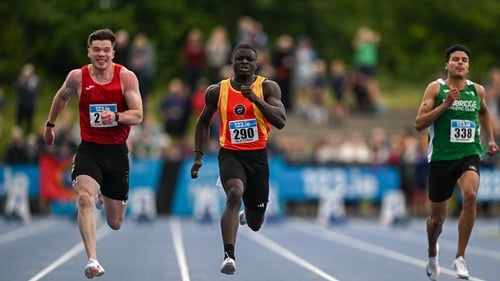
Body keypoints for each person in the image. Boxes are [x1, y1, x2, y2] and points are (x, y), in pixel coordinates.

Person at [43, 28, 143, 279]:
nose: (101, 54)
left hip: (117, 153)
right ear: (89, 51)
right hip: (90, 150)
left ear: (113, 53)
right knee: (85, 198)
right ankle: (92, 260)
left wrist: (117, 117)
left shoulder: (126, 77)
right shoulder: (78, 77)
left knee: (115, 223)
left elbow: (138, 115)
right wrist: (50, 125)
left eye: (106, 50)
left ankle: (104, 197)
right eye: (96, 49)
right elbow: (61, 97)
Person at [190, 43, 286, 274]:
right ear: (232, 62)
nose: (244, 62)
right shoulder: (217, 91)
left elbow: (281, 120)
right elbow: (203, 121)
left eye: (249, 59)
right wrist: (199, 156)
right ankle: (228, 256)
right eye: (240, 58)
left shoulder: (268, 87)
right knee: (234, 194)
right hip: (230, 154)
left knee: (255, 224)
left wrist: (255, 99)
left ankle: (248, 213)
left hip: (258, 157)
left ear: (256, 63)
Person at [415, 44, 498, 281]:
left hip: (468, 154)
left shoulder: (477, 91)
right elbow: (419, 123)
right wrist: (445, 105)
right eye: (455, 59)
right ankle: (432, 252)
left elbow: (484, 112)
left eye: (464, 60)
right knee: (436, 222)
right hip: (441, 158)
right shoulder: (436, 88)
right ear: (447, 65)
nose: (460, 63)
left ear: (468, 66)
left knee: (470, 195)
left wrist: (490, 139)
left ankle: (460, 257)